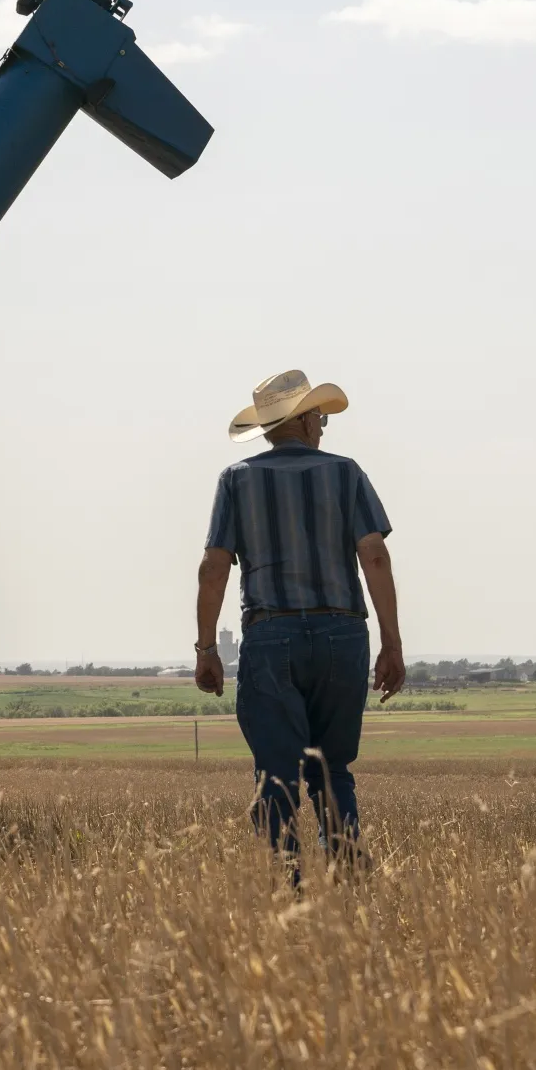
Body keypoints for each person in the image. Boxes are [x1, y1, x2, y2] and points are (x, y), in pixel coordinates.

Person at [194, 369, 404, 880]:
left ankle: (290, 892)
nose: (324, 426)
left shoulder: (236, 478)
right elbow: (373, 554)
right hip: (342, 635)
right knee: (333, 771)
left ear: (269, 427)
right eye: (321, 417)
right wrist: (392, 644)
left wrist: (206, 649)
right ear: (307, 420)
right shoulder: (347, 472)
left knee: (276, 776)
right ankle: (350, 881)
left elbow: (213, 567)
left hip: (271, 635)